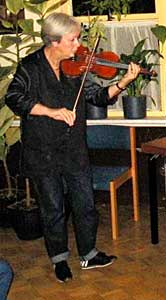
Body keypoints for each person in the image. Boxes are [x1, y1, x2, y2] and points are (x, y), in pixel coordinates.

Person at [5, 12, 140, 283]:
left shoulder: (75, 67)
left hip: (74, 149)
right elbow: (14, 97)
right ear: (54, 41)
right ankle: (59, 260)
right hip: (42, 150)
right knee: (53, 208)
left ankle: (88, 254)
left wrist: (123, 83)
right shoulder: (30, 66)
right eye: (73, 39)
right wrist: (51, 112)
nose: (78, 45)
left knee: (85, 204)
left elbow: (98, 97)